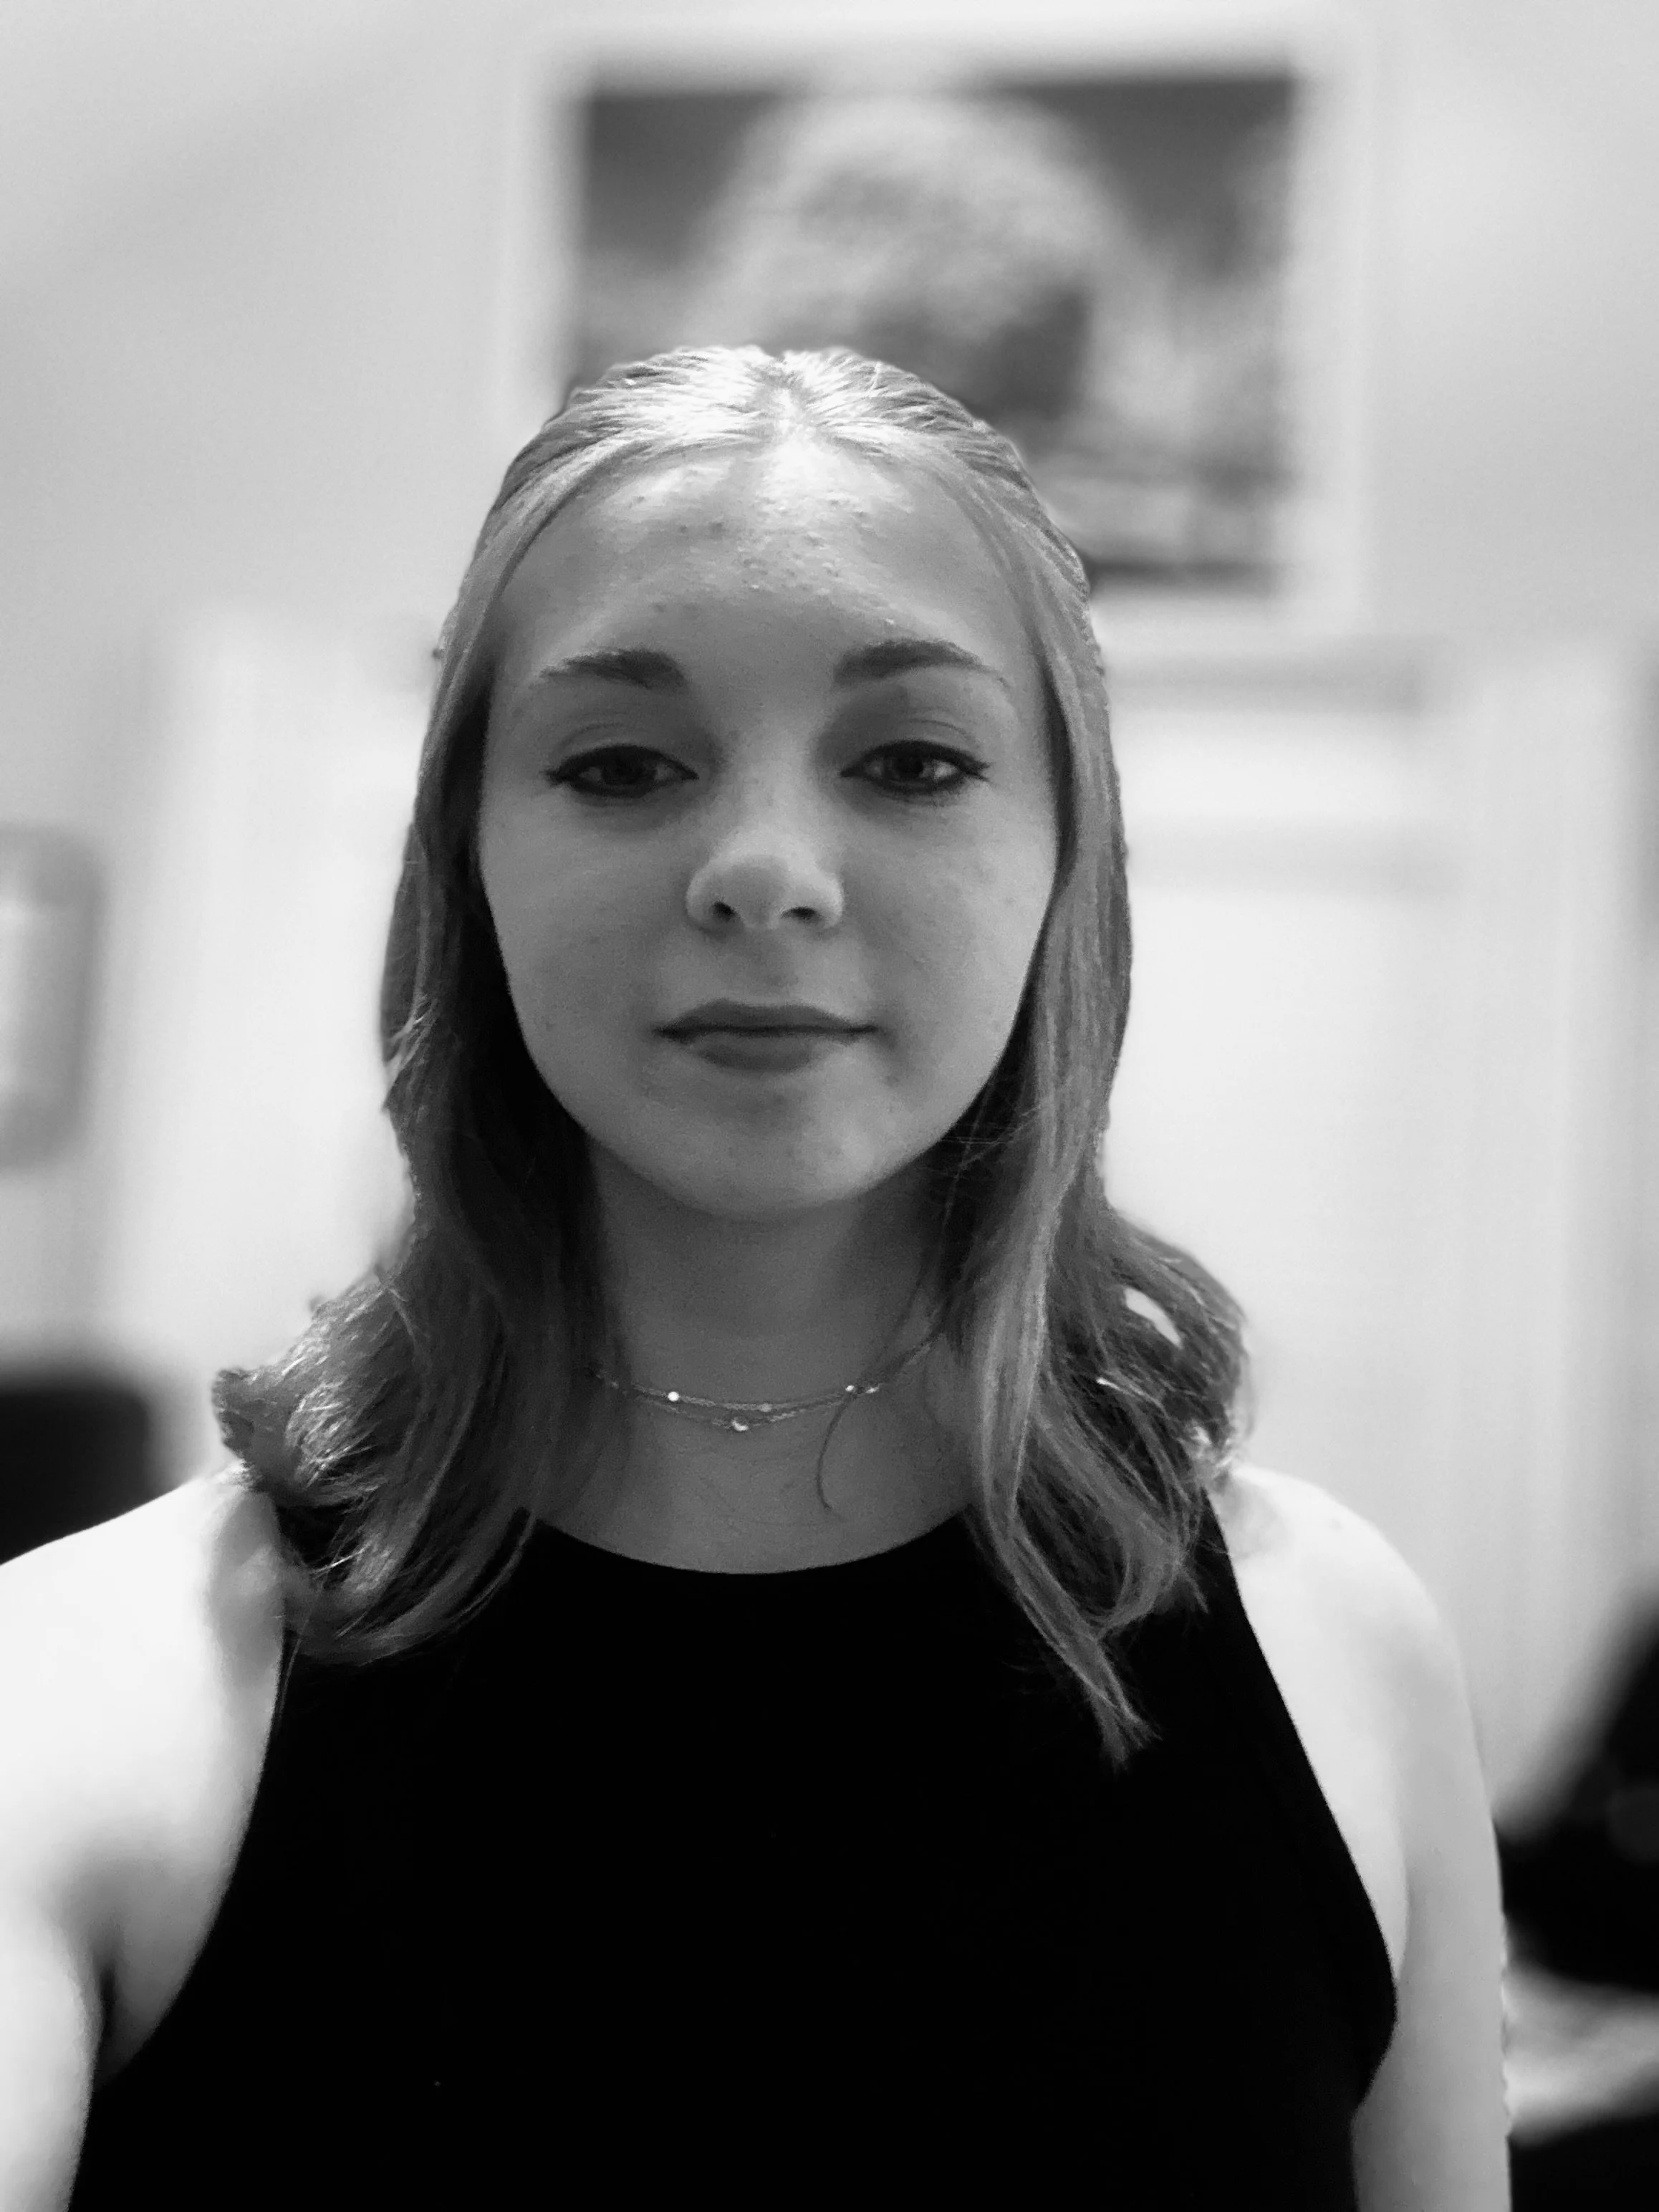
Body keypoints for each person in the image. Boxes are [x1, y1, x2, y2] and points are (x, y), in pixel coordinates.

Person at [1, 345, 1506, 2206]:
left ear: (1064, 868)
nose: (766, 870)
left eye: (911, 761)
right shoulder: (85, 1690)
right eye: (621, 763)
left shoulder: (1340, 1648)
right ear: (468, 865)